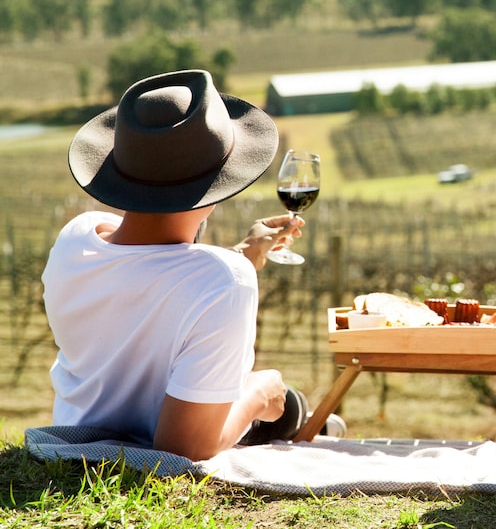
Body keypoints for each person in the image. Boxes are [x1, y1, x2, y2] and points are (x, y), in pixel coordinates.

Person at [42, 69, 317, 461]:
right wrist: (259, 394)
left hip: (69, 443)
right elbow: (183, 447)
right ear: (217, 187)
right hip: (141, 459)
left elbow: (147, 275)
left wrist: (240, 254)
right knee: (282, 400)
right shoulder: (224, 282)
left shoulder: (75, 239)